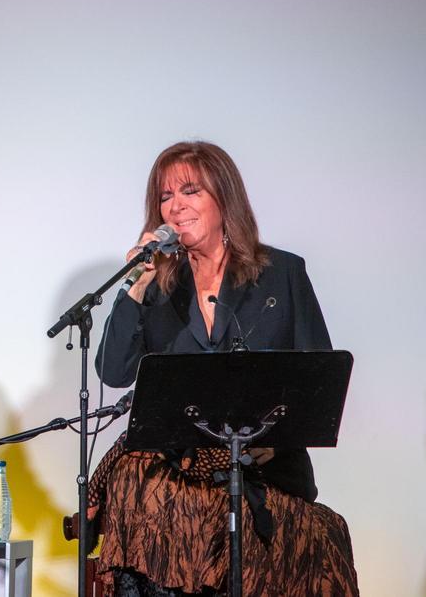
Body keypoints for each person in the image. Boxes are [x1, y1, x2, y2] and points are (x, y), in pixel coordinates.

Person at [91, 141, 358, 596]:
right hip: (180, 478)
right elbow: (113, 370)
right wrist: (136, 285)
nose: (175, 207)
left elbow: (319, 386)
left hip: (265, 470)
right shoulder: (157, 286)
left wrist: (273, 440)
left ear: (224, 197)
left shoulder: (282, 274)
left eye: (190, 191)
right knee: (138, 480)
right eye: (165, 197)